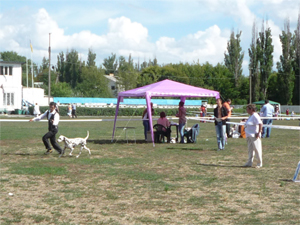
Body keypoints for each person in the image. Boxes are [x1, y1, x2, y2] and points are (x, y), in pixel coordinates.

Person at [243, 104, 263, 168]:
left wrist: (259, 132)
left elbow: (260, 123)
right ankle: (249, 162)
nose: (247, 110)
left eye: (247, 109)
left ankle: (259, 163)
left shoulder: (255, 115)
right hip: (249, 135)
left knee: (257, 149)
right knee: (250, 150)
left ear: (251, 109)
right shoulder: (251, 116)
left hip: (254, 135)